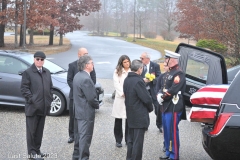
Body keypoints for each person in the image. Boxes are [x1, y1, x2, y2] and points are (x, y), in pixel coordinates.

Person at [21, 51, 53, 160]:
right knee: (31, 132)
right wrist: (32, 100)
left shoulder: (47, 72)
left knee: (39, 132)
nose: (39, 61)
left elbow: (50, 88)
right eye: (37, 59)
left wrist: (49, 99)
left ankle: (37, 150)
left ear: (44, 60)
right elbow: (24, 89)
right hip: (33, 108)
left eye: (42, 59)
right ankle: (32, 153)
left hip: (43, 107)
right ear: (34, 59)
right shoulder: (28, 72)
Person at [158, 50, 186, 160]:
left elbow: (173, 89)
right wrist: (159, 94)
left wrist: (162, 97)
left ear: (172, 60)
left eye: (167, 59)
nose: (165, 60)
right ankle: (168, 152)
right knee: (166, 129)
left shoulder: (179, 73)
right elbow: (162, 86)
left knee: (172, 131)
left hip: (174, 105)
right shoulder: (169, 73)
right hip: (166, 106)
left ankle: (174, 155)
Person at [123, 59, 153, 160]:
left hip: (130, 115)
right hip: (139, 116)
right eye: (142, 68)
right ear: (139, 69)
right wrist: (150, 109)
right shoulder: (138, 81)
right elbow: (146, 98)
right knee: (137, 143)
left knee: (131, 141)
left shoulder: (127, 79)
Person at [72, 55, 99, 160]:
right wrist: (97, 105)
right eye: (92, 63)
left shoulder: (77, 76)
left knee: (78, 137)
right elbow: (91, 98)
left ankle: (76, 157)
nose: (93, 65)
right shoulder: (86, 79)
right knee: (85, 138)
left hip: (78, 111)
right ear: (87, 65)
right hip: (85, 113)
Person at [67, 47, 96, 143]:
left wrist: (87, 89)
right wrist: (78, 89)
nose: (86, 55)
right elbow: (70, 80)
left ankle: (80, 138)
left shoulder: (90, 66)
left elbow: (93, 79)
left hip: (86, 96)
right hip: (75, 96)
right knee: (73, 117)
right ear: (79, 55)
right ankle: (72, 135)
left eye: (87, 53)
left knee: (82, 120)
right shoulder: (72, 65)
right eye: (84, 54)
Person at [111, 55, 131, 148]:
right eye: (125, 62)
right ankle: (118, 140)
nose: (127, 64)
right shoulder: (117, 71)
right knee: (118, 119)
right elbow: (116, 84)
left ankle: (128, 139)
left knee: (128, 119)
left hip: (130, 98)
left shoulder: (131, 71)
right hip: (120, 98)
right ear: (121, 63)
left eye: (128, 62)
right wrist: (122, 93)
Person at [140, 52, 162, 132]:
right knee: (144, 108)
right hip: (143, 89)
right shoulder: (140, 65)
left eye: (142, 58)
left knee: (157, 107)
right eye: (140, 58)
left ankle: (160, 125)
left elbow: (159, 77)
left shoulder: (155, 66)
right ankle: (145, 125)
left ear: (148, 59)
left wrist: (152, 80)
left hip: (153, 89)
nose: (140, 60)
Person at [155, 62, 169, 153]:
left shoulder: (175, 77)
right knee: (165, 126)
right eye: (163, 66)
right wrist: (159, 96)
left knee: (169, 127)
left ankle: (170, 145)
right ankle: (165, 144)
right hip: (163, 103)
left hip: (171, 105)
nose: (164, 67)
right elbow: (157, 89)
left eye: (166, 66)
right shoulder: (161, 76)